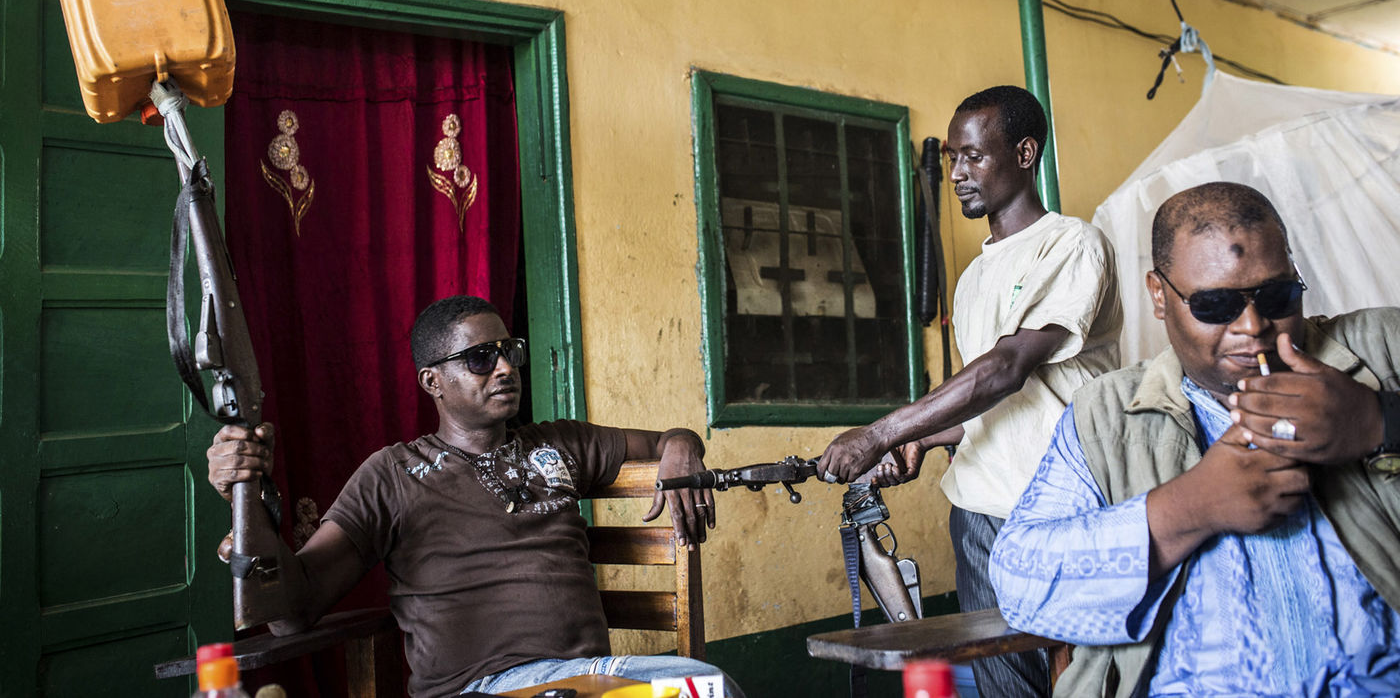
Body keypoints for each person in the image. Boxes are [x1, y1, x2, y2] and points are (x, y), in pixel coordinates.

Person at [208, 294, 745, 698]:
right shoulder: (393, 474)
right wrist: (248, 506)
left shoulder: (560, 443)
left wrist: (682, 447)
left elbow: (666, 440)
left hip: (588, 679)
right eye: (480, 358)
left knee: (708, 688)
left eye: (509, 351)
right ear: (432, 382)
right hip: (481, 689)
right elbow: (294, 612)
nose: (505, 367)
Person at [989, 182, 1400, 696]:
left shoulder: (1382, 350)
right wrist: (1190, 508)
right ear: (1160, 296)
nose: (1253, 325)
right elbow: (1020, 585)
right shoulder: (1105, 415)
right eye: (1215, 305)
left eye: (1277, 296)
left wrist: (1377, 421)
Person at [817, 85, 1122, 698]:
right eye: (953, 157)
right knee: (1006, 688)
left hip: (1064, 511)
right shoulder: (974, 278)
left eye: (973, 157)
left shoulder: (1072, 244)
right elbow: (990, 404)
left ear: (1025, 153)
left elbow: (1007, 369)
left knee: (1083, 682)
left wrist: (881, 432)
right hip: (979, 511)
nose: (957, 173)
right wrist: (922, 439)